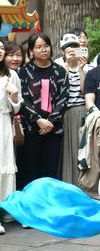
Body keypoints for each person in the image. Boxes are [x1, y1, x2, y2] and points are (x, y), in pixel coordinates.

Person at [17, 33, 69, 188]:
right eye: (38, 47)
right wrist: (38, 120)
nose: (43, 50)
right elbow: (23, 99)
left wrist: (50, 121)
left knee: (50, 169)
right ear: (31, 51)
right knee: (30, 169)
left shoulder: (60, 71)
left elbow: (63, 98)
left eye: (46, 46)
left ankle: (48, 202)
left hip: (53, 130)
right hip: (31, 129)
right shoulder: (24, 72)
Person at [58, 33, 89, 186]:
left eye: (75, 48)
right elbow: (61, 92)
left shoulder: (88, 67)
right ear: (62, 51)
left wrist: (81, 69)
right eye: (67, 49)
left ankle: (84, 184)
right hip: (67, 113)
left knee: (83, 149)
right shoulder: (58, 66)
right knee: (68, 150)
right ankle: (69, 182)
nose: (71, 51)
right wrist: (67, 67)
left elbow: (85, 91)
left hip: (83, 111)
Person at [0, 43, 21, 235]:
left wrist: (14, 95)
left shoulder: (11, 75)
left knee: (5, 167)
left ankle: (6, 209)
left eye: (1, 48)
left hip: (4, 122)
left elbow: (17, 107)